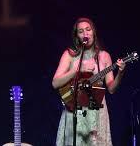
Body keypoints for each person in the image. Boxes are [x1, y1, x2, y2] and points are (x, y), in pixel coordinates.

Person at [52, 17, 126, 146]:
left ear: (93, 32)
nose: (85, 34)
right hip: (75, 109)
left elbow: (112, 88)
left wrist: (120, 72)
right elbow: (55, 83)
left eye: (88, 29)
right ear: (77, 36)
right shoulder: (69, 55)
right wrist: (74, 71)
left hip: (97, 113)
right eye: (81, 31)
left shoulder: (104, 56)